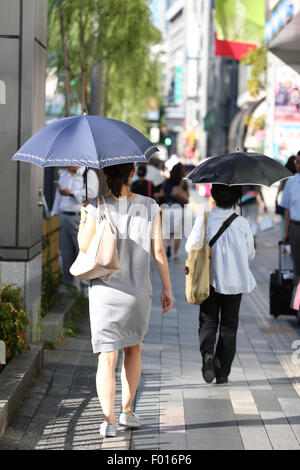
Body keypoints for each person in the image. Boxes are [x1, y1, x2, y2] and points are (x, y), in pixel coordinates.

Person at [78, 162, 173, 438]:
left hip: (104, 294)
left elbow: (84, 247)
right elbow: (158, 252)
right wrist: (167, 288)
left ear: (105, 174)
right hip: (137, 292)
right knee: (134, 350)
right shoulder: (150, 206)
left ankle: (108, 421)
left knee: (107, 358)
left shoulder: (97, 205)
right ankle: (127, 411)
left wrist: (85, 215)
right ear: (132, 173)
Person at [185, 184, 256, 385]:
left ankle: (207, 354)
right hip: (235, 283)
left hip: (209, 281)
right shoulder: (242, 223)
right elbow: (250, 254)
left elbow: (190, 247)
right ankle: (222, 371)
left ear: (214, 195)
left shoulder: (204, 219)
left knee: (208, 322)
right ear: (235, 197)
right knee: (229, 327)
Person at [51, 166, 99, 288]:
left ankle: (85, 286)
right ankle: (68, 284)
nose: (68, 163)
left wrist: (72, 193)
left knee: (82, 251)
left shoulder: (88, 174)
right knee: (66, 252)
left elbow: (92, 193)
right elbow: (58, 198)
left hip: (81, 217)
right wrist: (53, 213)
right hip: (64, 217)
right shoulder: (64, 176)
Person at [162, 163, 189, 259]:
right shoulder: (183, 182)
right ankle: (175, 253)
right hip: (179, 208)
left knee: (168, 231)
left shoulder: (167, 181)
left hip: (168, 207)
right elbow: (187, 196)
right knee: (177, 232)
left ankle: (168, 245)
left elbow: (164, 193)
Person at [281, 152, 300, 285]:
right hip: (296, 228)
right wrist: (286, 233)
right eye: (297, 162)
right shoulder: (291, 182)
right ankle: (297, 300)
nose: (299, 165)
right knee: (297, 266)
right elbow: (287, 209)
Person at [275, 155, 296, 249]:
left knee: (284, 222)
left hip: (285, 200)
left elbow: (280, 186)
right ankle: (290, 243)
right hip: (294, 201)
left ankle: (284, 245)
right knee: (292, 222)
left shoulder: (285, 174)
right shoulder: (296, 175)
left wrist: (276, 197)